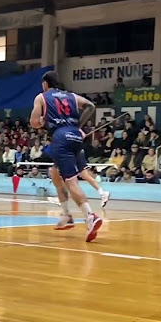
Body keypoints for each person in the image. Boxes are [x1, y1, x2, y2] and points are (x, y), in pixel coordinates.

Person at [30, 70, 102, 242]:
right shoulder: (71, 96)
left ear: (45, 84)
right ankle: (66, 214)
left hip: (61, 138)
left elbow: (34, 123)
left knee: (71, 182)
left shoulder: (42, 97)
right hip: (76, 136)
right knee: (54, 173)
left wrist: (42, 122)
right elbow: (91, 106)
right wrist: (78, 126)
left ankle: (90, 216)